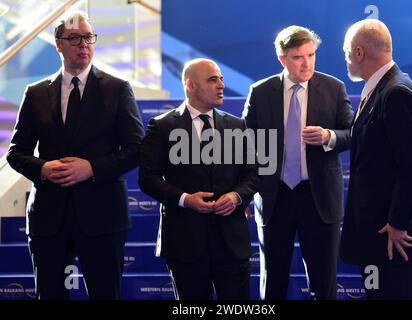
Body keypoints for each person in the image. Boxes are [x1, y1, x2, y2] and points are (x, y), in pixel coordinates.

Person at [7, 11, 145, 299]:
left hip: (102, 214)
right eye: (74, 38)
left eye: (88, 37)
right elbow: (16, 153)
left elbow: (137, 150)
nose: (83, 44)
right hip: (49, 215)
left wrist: (91, 168)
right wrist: (43, 169)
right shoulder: (34, 93)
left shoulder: (118, 88)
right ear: (58, 44)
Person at [243, 25, 353, 300]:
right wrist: (241, 195)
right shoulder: (260, 92)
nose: (307, 63)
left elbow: (353, 133)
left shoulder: (333, 87)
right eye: (298, 57)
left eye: (311, 55)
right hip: (273, 196)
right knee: (273, 283)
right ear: (282, 59)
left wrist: (329, 136)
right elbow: (244, 147)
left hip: (318, 199)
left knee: (323, 283)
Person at [340, 19, 412, 299]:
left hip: (396, 240)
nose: (346, 58)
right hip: (381, 237)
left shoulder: (396, 92)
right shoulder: (384, 88)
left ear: (359, 53)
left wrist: (398, 223)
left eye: (346, 51)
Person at [138, 58, 259, 300]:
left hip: (231, 244)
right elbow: (147, 178)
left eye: (221, 79)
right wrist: (184, 199)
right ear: (190, 85)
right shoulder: (161, 127)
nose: (221, 85)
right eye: (213, 79)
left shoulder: (237, 126)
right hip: (185, 243)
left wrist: (236, 197)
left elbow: (254, 174)